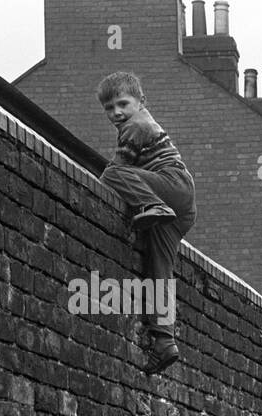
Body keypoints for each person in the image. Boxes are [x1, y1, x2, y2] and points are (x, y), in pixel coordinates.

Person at [95, 72, 196, 374]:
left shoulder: (136, 126)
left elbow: (116, 173)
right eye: (110, 108)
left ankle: (151, 205)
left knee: (111, 174)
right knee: (158, 269)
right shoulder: (141, 123)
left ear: (141, 102)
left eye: (123, 104)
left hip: (170, 187)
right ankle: (164, 340)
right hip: (182, 206)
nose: (117, 113)